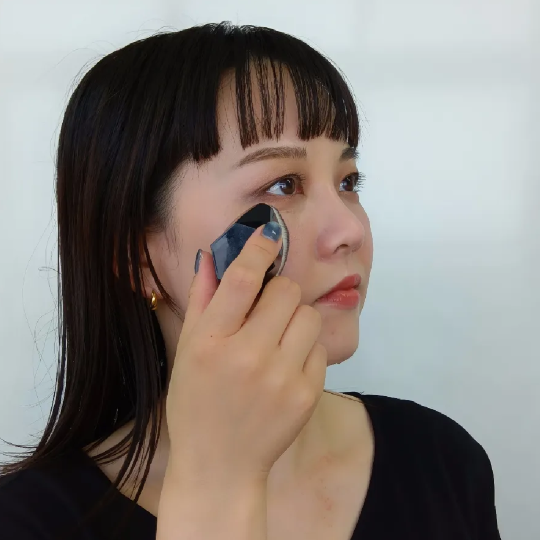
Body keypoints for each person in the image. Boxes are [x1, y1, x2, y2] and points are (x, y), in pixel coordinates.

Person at [0, 22, 501, 540]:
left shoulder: (441, 460)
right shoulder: (28, 522)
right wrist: (219, 484)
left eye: (348, 181)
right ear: (135, 257)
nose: (350, 230)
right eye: (283, 184)